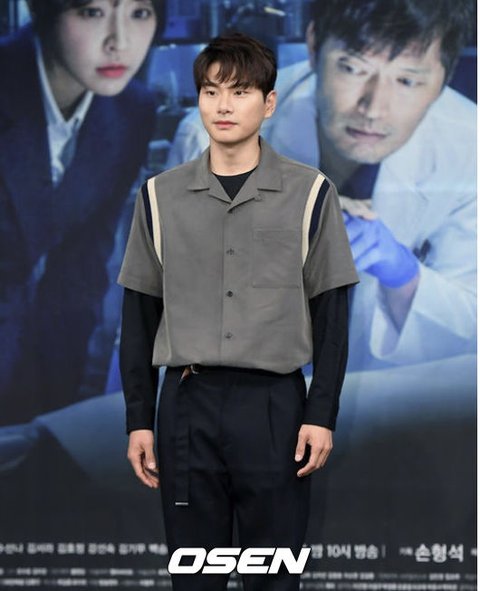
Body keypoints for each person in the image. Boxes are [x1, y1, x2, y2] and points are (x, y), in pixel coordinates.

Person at [118, 33, 358, 591]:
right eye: (211, 91)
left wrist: (321, 412)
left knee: (272, 578)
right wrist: (138, 419)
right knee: (194, 578)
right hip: (186, 405)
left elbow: (332, 314)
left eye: (240, 91)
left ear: (268, 103)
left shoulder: (310, 193)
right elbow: (139, 315)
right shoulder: (159, 197)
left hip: (274, 408)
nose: (223, 106)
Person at [167, 0, 476, 371]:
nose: (374, 108)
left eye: (407, 80)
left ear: (445, 78)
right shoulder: (214, 137)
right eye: (352, 68)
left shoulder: (469, 149)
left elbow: (470, 324)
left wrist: (404, 275)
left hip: (402, 394)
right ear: (314, 47)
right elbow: (174, 305)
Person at [0, 0, 165, 425]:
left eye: (139, 13)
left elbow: (79, 275)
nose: (119, 42)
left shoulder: (131, 109)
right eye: (92, 12)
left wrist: (53, 420)